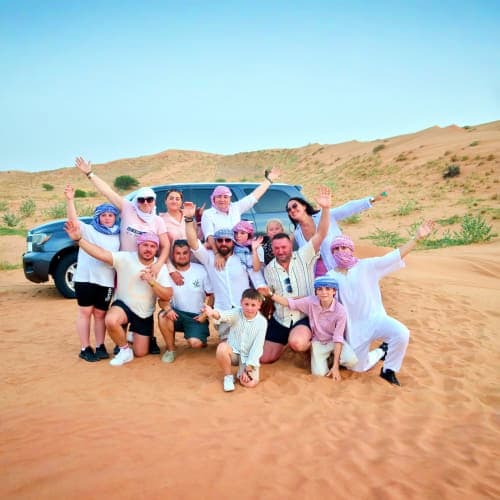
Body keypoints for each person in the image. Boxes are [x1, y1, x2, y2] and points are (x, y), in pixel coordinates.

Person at [75, 156, 169, 353]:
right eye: (141, 199)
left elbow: (166, 245)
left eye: (149, 199)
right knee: (123, 300)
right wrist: (89, 174)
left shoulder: (158, 220)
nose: (145, 203)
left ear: (154, 201)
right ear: (137, 201)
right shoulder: (128, 209)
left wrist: (159, 264)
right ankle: (121, 341)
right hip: (124, 264)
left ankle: (148, 337)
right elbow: (108, 192)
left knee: (146, 299)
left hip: (147, 266)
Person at [326, 220, 435, 386]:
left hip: (376, 319)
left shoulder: (367, 266)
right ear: (332, 252)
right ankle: (380, 351)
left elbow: (394, 256)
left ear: (351, 249)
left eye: (344, 248)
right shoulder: (330, 276)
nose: (340, 251)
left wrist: (416, 239)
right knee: (358, 367)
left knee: (402, 333)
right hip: (353, 328)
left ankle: (388, 370)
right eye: (336, 249)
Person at [64, 222, 173, 366]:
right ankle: (124, 350)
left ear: (156, 249)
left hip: (144, 313)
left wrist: (151, 281)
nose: (148, 249)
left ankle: (131, 335)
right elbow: (101, 254)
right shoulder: (125, 258)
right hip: (123, 307)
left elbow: (167, 295)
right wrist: (79, 240)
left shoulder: (159, 267)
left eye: (152, 246)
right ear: (138, 246)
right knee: (111, 320)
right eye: (145, 245)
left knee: (140, 352)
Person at [260, 186, 332, 364]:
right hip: (281, 319)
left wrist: (325, 209)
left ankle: (316, 345)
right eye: (277, 248)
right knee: (266, 358)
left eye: (284, 247)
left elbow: (321, 233)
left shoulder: (304, 256)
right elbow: (270, 297)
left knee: (297, 343)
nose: (281, 251)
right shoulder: (269, 269)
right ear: (273, 249)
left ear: (291, 246)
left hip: (303, 317)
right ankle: (285, 340)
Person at [183, 202, 266, 340]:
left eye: (228, 240)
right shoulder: (209, 258)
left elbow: (258, 280)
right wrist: (188, 219)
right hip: (222, 312)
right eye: (219, 240)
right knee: (229, 345)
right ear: (215, 242)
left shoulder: (243, 257)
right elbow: (193, 243)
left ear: (233, 242)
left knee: (246, 342)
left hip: (245, 310)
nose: (223, 243)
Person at [64, 184, 120, 362]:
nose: (107, 218)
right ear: (98, 217)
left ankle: (100, 345)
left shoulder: (118, 235)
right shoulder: (88, 230)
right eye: (103, 215)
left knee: (100, 314)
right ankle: (85, 347)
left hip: (106, 281)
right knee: (85, 312)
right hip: (86, 279)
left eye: (110, 215)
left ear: (115, 217)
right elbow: (73, 222)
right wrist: (70, 200)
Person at [269, 276, 357, 380]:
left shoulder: (340, 311)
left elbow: (338, 338)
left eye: (328, 289)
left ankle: (334, 360)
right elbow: (289, 303)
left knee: (352, 361)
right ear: (316, 291)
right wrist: (270, 294)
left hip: (333, 341)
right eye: (320, 289)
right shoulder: (310, 302)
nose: (324, 292)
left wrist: (336, 366)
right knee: (319, 374)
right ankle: (325, 359)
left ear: (334, 291)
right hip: (318, 342)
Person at [287, 191, 388, 276]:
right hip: (319, 276)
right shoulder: (298, 233)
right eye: (289, 210)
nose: (292, 210)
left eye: (295, 206)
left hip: (341, 268)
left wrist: (371, 200)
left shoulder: (324, 215)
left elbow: (347, 208)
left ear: (304, 206)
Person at [201, 167, 280, 268]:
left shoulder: (235, 208)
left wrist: (269, 180)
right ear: (213, 198)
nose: (222, 200)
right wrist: (217, 254)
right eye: (219, 196)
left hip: (239, 252)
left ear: (230, 198)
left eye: (225, 197)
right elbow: (209, 236)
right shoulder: (208, 214)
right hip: (221, 253)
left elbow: (253, 197)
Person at [157, 239, 214, 363]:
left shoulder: (201, 270)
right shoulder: (167, 273)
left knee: (195, 343)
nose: (182, 256)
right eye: (178, 253)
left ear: (190, 254)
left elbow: (212, 295)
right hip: (176, 314)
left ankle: (199, 336)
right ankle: (171, 349)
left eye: (185, 253)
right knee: (163, 316)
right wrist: (168, 309)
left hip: (196, 317)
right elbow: (161, 300)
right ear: (173, 255)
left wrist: (205, 314)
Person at [203, 289, 267, 392]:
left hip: (248, 357)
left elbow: (257, 346)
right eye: (246, 304)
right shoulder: (236, 312)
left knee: (249, 383)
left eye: (253, 305)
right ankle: (228, 377)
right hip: (233, 353)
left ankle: (242, 372)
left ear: (259, 305)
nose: (249, 308)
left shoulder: (262, 322)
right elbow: (223, 315)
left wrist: (249, 366)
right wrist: (212, 312)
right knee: (222, 348)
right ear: (241, 302)